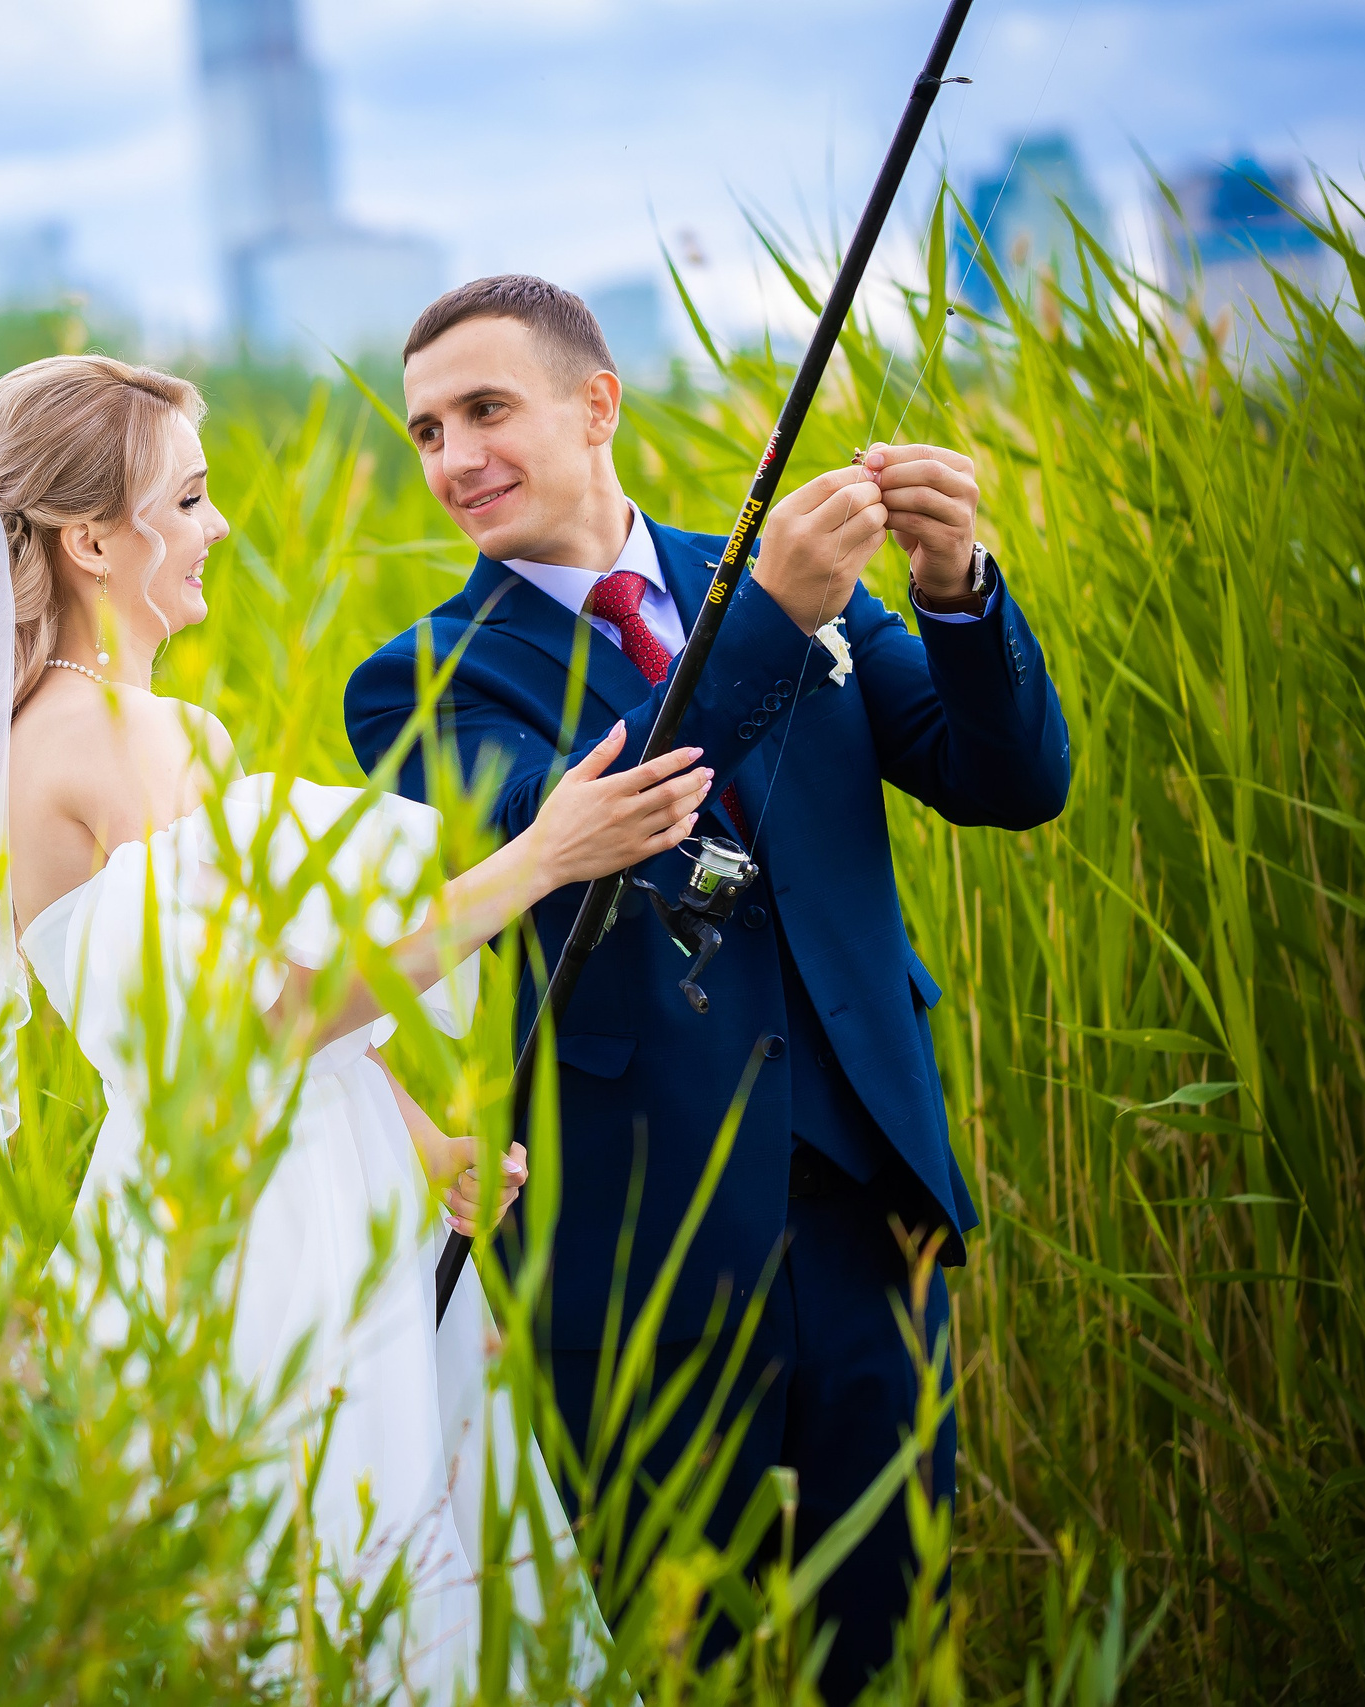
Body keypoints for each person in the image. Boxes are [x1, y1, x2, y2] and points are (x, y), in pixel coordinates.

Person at [0, 353, 704, 1696]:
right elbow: (245, 1036)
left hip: (320, 1188)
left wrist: (420, 1146)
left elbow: (291, 1006)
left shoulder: (179, 735)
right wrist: (540, 861)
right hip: (242, 1226)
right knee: (321, 1576)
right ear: (96, 537)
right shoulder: (84, 741)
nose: (219, 528)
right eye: (194, 498)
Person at [344, 276, 1073, 1701]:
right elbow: (586, 825)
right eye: (427, 430)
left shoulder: (779, 586)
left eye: (486, 410)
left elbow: (1010, 782)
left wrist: (955, 588)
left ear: (595, 402)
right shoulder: (422, 680)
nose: (454, 459)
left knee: (893, 1645)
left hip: (870, 1215)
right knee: (697, 1666)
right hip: (638, 1254)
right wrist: (776, 622)